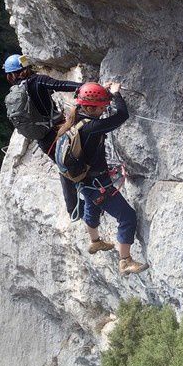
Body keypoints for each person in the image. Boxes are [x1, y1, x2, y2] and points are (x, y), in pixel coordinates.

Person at [57, 82, 149, 275]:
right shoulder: (92, 127)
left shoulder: (76, 120)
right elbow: (122, 116)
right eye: (103, 105)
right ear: (91, 107)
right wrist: (116, 95)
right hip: (98, 184)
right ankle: (125, 261)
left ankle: (95, 241)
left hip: (84, 182)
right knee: (127, 217)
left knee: (92, 206)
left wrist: (104, 92)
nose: (106, 107)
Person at [3, 53, 84, 219]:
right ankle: (77, 205)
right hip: (58, 131)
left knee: (64, 166)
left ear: (11, 75)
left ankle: (74, 207)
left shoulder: (16, 92)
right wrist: (84, 87)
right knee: (72, 162)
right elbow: (61, 85)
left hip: (43, 139)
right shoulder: (38, 81)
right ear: (26, 68)